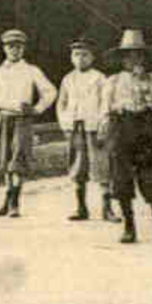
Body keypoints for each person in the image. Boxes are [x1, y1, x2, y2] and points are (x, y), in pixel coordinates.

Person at [100, 28, 152, 244]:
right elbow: (105, 108)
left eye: (138, 55)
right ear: (122, 59)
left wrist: (145, 88)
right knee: (121, 178)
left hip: (144, 128)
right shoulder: (112, 81)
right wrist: (105, 131)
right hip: (121, 127)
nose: (133, 59)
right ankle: (129, 226)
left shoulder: (151, 79)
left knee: (151, 176)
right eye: (129, 55)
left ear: (144, 57)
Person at [0, 29, 56, 218]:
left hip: (21, 119)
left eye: (18, 47)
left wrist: (36, 109)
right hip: (3, 118)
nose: (14, 50)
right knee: (5, 159)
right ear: (4, 48)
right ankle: (6, 199)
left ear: (23, 49)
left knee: (18, 160)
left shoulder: (31, 70)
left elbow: (50, 91)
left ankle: (15, 202)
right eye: (10, 46)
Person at [57, 37, 115, 222]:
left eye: (84, 55)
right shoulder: (68, 79)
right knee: (77, 165)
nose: (80, 59)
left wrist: (103, 124)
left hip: (94, 126)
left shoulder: (99, 78)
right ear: (71, 58)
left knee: (101, 165)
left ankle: (107, 208)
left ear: (92, 57)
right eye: (76, 55)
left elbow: (106, 103)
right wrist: (65, 124)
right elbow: (61, 103)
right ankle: (81, 208)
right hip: (75, 127)